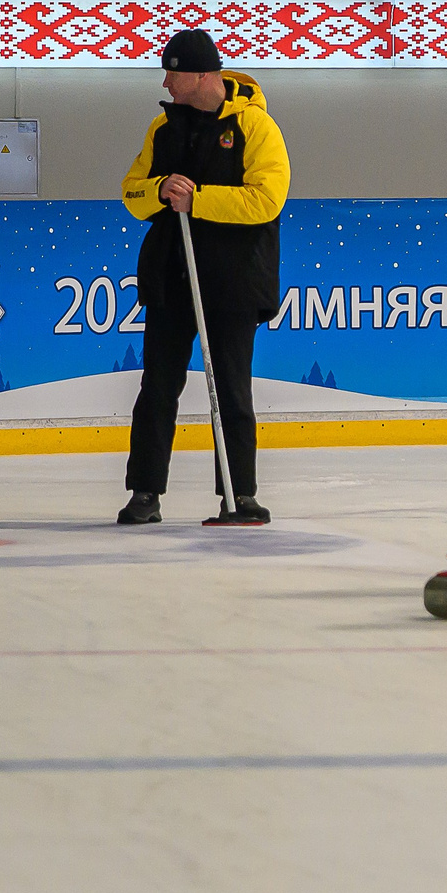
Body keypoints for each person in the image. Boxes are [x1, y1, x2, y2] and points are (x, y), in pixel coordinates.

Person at [116, 28, 289, 527]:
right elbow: (131, 193)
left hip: (234, 281)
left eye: (172, 71)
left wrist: (201, 199)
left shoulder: (255, 126)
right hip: (172, 277)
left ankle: (241, 495)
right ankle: (145, 492)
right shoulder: (161, 129)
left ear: (200, 75)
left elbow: (266, 199)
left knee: (232, 388)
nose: (166, 81)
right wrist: (158, 189)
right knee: (157, 388)